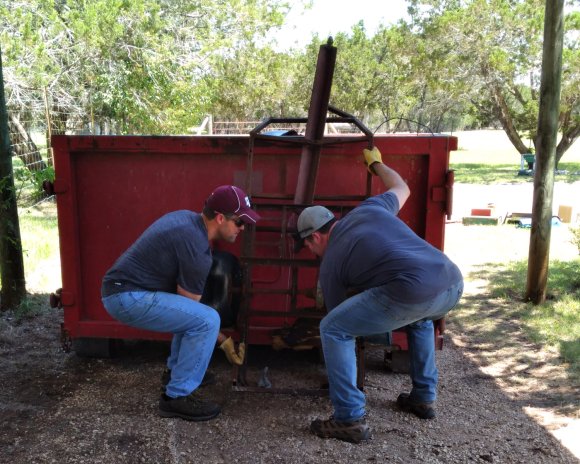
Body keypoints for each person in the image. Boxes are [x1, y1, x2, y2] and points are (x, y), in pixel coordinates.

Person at [296, 147, 463, 443]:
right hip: (451, 282)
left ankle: (348, 418)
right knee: (419, 319)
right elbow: (402, 187)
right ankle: (423, 397)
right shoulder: (371, 208)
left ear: (315, 237)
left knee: (332, 329)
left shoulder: (331, 262)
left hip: (413, 289)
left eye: (307, 246)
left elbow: (342, 320)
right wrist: (377, 164)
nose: (311, 252)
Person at [101, 185, 260, 422]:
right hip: (126, 297)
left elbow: (186, 312)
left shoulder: (187, 220)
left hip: (121, 291)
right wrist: (224, 341)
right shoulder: (197, 249)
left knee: (194, 317)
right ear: (219, 218)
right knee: (207, 320)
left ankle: (175, 374)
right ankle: (177, 396)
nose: (242, 228)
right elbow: (193, 311)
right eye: (239, 222)